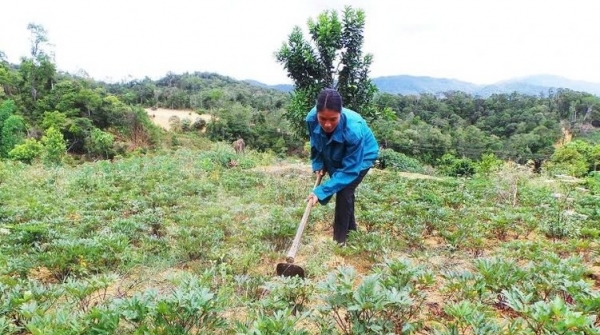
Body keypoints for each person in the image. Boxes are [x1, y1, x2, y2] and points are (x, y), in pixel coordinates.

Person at [305, 88, 379, 245]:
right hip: (335, 153)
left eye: (333, 119)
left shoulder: (354, 129)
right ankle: (352, 233)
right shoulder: (311, 119)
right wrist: (318, 162)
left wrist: (321, 191)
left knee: (344, 191)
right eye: (322, 118)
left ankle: (339, 241)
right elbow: (315, 141)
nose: (327, 124)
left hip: (363, 155)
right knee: (346, 191)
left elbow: (350, 170)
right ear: (316, 114)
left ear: (340, 113)